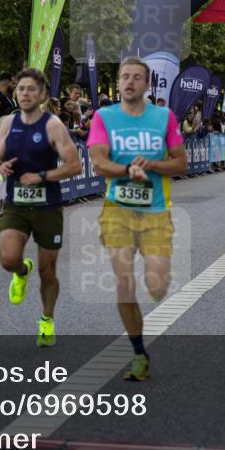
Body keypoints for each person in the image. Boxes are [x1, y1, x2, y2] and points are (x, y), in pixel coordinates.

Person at [87, 57, 188, 381]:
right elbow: (100, 164)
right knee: (124, 284)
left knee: (157, 287)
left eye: (136, 78)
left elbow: (181, 163)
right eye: (124, 77)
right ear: (118, 83)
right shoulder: (105, 117)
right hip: (117, 209)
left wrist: (155, 165)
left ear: (147, 85)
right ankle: (139, 352)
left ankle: (144, 333)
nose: (129, 82)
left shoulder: (163, 117)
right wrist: (128, 170)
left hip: (155, 211)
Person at [0, 68, 82, 347]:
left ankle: (46, 319)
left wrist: (41, 176)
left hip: (48, 206)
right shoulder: (8, 121)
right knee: (8, 259)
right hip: (16, 204)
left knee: (47, 271)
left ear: (42, 94)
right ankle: (21, 270)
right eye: (21, 89)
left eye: (31, 89)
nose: (25, 94)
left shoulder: (53, 125)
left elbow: (74, 165)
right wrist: (0, 166)